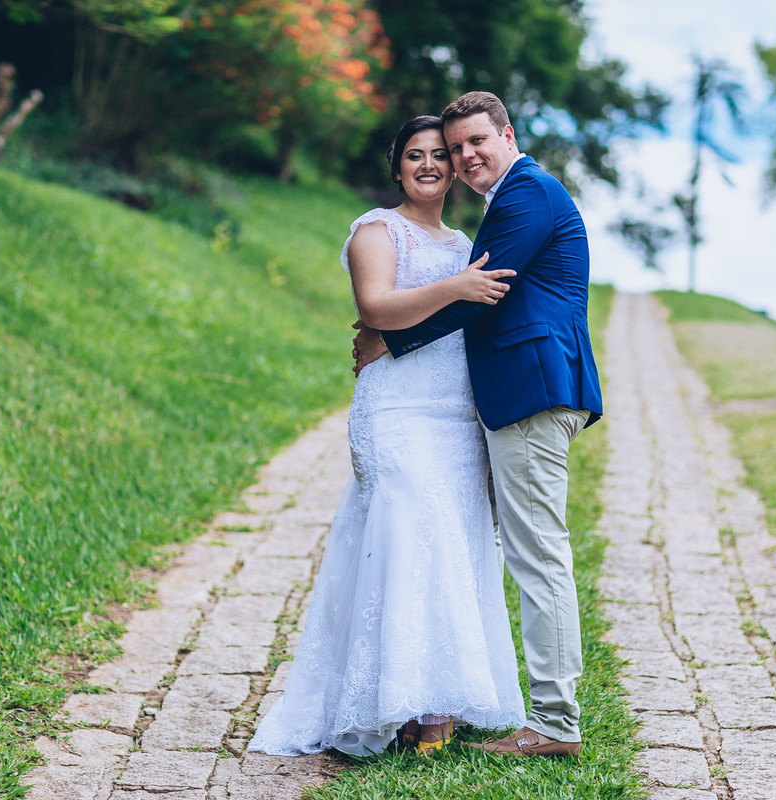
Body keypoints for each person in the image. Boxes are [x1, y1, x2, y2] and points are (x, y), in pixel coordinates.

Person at [249, 115, 526, 758]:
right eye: (415, 156)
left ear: (456, 168)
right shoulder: (376, 230)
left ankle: (435, 708)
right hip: (397, 412)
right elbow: (375, 307)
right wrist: (455, 288)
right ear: (396, 167)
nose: (429, 165)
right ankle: (388, 701)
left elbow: (472, 319)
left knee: (449, 547)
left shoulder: (464, 239)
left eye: (440, 155)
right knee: (403, 540)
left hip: (456, 413)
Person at [353, 91, 603, 758]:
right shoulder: (513, 197)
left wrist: (388, 338)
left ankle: (553, 725)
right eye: (456, 147)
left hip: (531, 392)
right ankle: (546, 718)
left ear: (508, 135)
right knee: (529, 553)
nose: (465, 157)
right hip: (520, 394)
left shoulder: (526, 196)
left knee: (537, 556)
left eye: (475, 143)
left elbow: (479, 289)